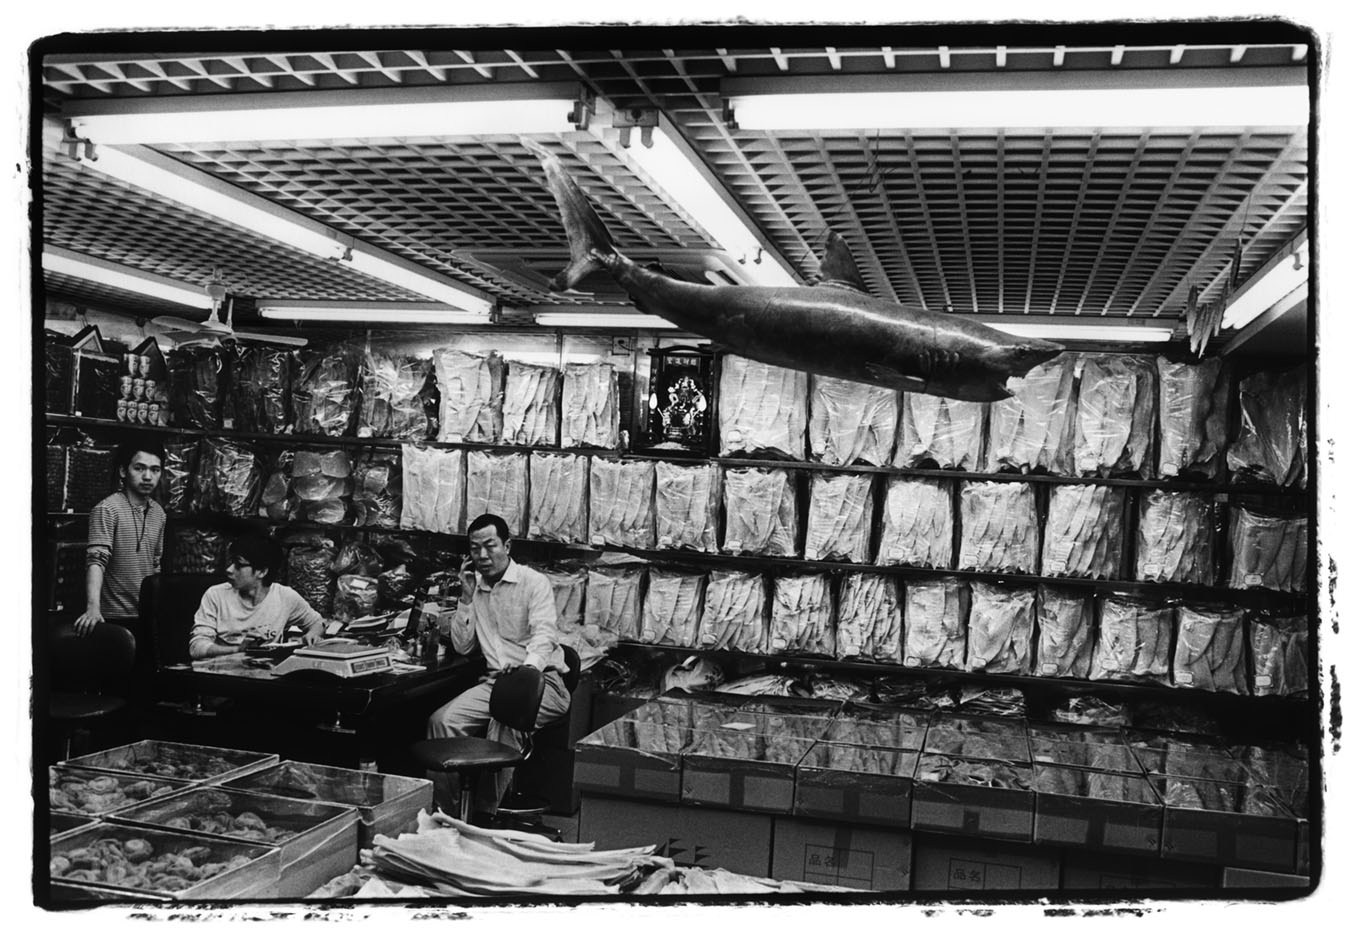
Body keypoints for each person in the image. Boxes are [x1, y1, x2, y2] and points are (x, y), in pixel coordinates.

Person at [426, 513, 571, 815]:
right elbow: (463, 645)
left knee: (505, 721)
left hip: (543, 684)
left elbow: (544, 635)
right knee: (442, 721)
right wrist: (466, 597)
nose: (482, 555)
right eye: (475, 548)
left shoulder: (533, 583)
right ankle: (448, 814)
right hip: (496, 683)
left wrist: (525, 671)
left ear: (507, 545)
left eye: (490, 546)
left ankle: (484, 816)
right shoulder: (476, 588)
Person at [75, 440, 168, 687]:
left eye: (155, 469)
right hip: (114, 620)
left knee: (145, 691)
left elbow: (156, 563)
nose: (148, 476)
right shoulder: (107, 509)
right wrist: (93, 607)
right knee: (116, 690)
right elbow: (96, 559)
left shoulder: (159, 513)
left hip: (146, 617)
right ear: (124, 471)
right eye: (140, 468)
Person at [189, 535, 326, 660]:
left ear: (262, 572)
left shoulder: (285, 597)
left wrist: (313, 634)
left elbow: (317, 622)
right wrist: (238, 649)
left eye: (239, 565)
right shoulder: (215, 595)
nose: (229, 570)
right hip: (219, 676)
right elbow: (196, 648)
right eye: (231, 562)